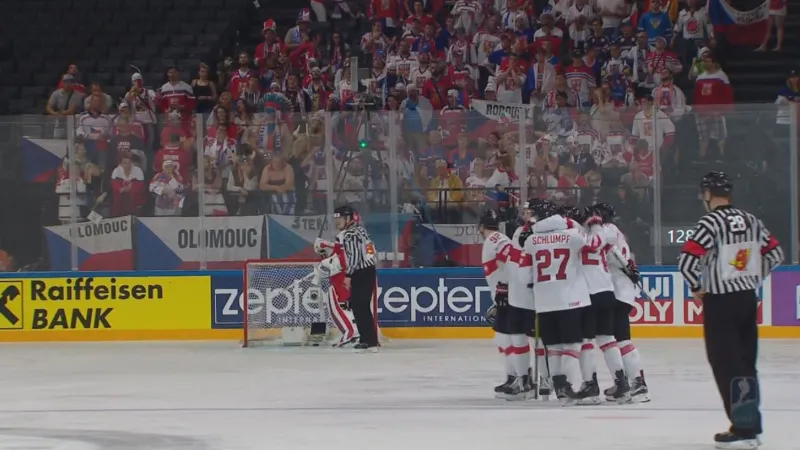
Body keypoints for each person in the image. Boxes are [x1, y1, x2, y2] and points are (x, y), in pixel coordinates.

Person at [678, 172, 784, 449]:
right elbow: (775, 254)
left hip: (720, 302)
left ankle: (742, 429)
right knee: (746, 364)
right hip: (747, 299)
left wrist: (697, 286)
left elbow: (687, 260)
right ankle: (751, 426)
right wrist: (752, 278)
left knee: (727, 365)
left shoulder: (710, 222)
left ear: (708, 194)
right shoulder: (751, 219)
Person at [522, 200, 591, 405]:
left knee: (553, 347)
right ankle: (566, 385)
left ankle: (558, 385)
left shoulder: (531, 241)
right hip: (569, 299)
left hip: (544, 301)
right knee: (571, 345)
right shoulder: (572, 236)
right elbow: (589, 241)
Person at [567, 203, 631, 405]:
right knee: (607, 338)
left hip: (589, 293)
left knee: (587, 340)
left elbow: (591, 244)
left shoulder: (577, 235)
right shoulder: (605, 232)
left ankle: (590, 385)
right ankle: (621, 384)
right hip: (606, 290)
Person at [590, 203, 650, 403]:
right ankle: (630, 382)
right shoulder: (615, 231)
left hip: (617, 291)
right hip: (620, 290)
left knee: (620, 339)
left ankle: (636, 383)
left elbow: (594, 244)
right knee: (618, 338)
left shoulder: (607, 230)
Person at [479, 209, 535, 401]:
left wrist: (505, 288)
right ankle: (515, 377)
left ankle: (522, 379)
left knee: (509, 340)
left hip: (509, 297)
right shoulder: (498, 238)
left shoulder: (494, 239)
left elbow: (513, 258)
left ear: (480, 227)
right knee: (504, 340)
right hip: (506, 296)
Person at [314, 206, 380, 353]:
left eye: (341, 219)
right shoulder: (360, 230)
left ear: (349, 219)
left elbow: (354, 256)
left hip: (360, 272)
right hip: (368, 270)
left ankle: (370, 341)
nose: (338, 222)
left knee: (360, 306)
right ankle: (367, 339)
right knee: (360, 306)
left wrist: (349, 275)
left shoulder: (349, 234)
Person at [513, 199, 553, 399]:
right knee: (536, 339)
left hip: (548, 292)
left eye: (528, 211)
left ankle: (551, 377)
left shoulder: (549, 232)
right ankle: (543, 377)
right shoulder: (521, 231)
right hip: (531, 294)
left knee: (550, 340)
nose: (524, 214)